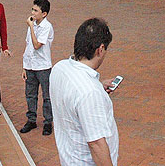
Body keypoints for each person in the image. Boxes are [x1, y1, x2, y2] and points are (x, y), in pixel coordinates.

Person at [50, 18, 118, 166]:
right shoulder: (90, 92)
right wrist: (95, 90)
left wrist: (98, 86)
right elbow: (96, 144)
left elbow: (71, 95)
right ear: (100, 49)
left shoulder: (59, 68)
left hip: (68, 158)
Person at [20, 0, 54, 136]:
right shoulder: (32, 25)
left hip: (43, 66)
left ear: (44, 14)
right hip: (30, 66)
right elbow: (28, 45)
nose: (32, 13)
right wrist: (24, 66)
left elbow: (36, 45)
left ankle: (48, 122)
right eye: (32, 10)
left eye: (36, 11)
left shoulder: (46, 27)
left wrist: (31, 27)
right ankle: (31, 120)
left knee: (47, 96)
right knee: (30, 94)